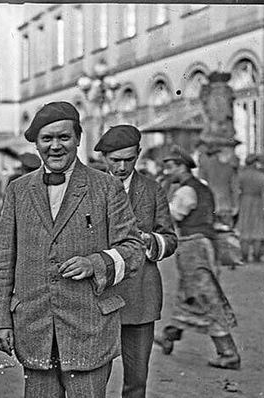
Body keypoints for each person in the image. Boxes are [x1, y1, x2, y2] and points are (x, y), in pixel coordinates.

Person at [0, 101, 144, 398]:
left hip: (89, 330)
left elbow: (134, 249)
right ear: (36, 144)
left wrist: (95, 263)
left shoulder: (106, 187)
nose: (56, 146)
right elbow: (5, 259)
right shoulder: (18, 190)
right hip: (35, 328)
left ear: (78, 139)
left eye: (64, 137)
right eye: (47, 139)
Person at [95, 125, 177, 398]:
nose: (121, 167)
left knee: (136, 381)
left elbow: (170, 238)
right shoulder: (89, 188)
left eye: (128, 160)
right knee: (92, 379)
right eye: (114, 160)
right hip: (97, 296)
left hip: (140, 295)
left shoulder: (153, 190)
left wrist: (151, 241)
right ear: (103, 157)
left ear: (138, 154)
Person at [156, 145, 240, 370]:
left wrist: (160, 198)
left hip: (194, 246)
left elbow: (172, 214)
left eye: (170, 167)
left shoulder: (185, 191)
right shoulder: (200, 186)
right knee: (189, 293)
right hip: (202, 244)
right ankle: (170, 334)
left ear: (182, 167)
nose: (167, 172)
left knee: (205, 296)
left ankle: (228, 352)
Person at [235, 154, 264, 263]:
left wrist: (237, 205)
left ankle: (244, 256)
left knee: (245, 229)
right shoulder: (261, 176)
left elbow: (236, 191)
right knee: (258, 229)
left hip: (244, 202)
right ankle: (256, 256)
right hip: (258, 203)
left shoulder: (241, 175)